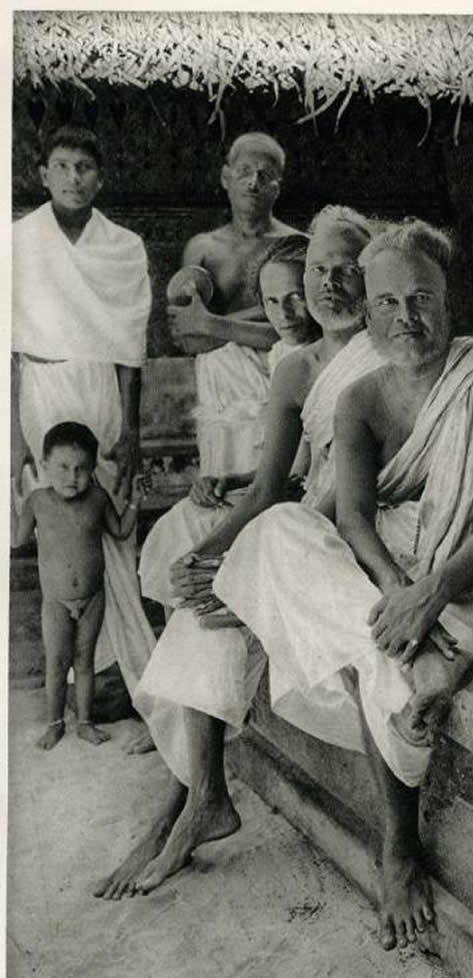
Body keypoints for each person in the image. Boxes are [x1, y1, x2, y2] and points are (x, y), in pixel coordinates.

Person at [214, 220, 473, 950]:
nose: (406, 317)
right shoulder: (358, 397)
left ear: (450, 304)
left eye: (421, 298)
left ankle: (398, 848)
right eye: (388, 303)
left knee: (371, 646)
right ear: (367, 312)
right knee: (278, 533)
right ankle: (415, 668)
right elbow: (355, 519)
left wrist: (428, 595)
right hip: (394, 562)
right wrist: (397, 590)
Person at [94, 205, 384, 900]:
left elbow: (338, 488)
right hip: (302, 518)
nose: (325, 289)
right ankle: (195, 798)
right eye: (317, 274)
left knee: (217, 597)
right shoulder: (297, 363)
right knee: (200, 588)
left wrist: (240, 562)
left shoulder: (380, 355)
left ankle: (192, 803)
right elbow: (273, 484)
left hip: (353, 531)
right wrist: (215, 556)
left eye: (343, 273)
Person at [11, 125, 156, 751]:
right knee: (53, 523)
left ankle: (125, 677)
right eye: (63, 166)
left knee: (108, 531)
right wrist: (13, 438)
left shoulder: (122, 248)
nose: (74, 178)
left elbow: (129, 352)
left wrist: (131, 432)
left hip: (98, 392)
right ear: (43, 173)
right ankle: (64, 689)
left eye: (86, 168)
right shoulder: (15, 241)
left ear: (101, 177)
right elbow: (7, 347)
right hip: (38, 394)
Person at [138, 234, 319, 608]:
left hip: (312, 498)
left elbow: (298, 477)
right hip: (282, 482)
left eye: (295, 297)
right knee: (182, 523)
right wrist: (226, 480)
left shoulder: (316, 360)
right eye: (270, 301)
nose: (283, 312)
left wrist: (210, 322)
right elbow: (284, 468)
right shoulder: (284, 352)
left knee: (196, 535)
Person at [166, 131, 302, 477]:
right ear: (226, 178)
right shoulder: (203, 249)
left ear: (277, 187)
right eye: (244, 172)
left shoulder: (297, 246)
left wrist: (213, 323)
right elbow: (187, 337)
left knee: (279, 483)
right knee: (223, 489)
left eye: (265, 175)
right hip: (221, 387)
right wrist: (260, 321)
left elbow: (298, 330)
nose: (254, 182)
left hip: (281, 380)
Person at [10, 423, 146, 750]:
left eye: (82, 468)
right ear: (44, 466)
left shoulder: (97, 498)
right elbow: (16, 540)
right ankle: (55, 723)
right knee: (57, 663)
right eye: (63, 468)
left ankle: (86, 723)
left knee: (84, 663)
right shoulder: (37, 501)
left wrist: (135, 501)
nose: (73, 476)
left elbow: (121, 532)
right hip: (56, 601)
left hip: (92, 597)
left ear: (92, 468)